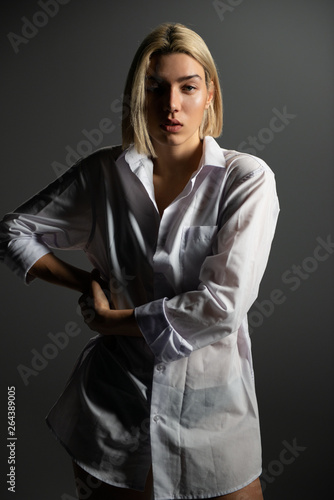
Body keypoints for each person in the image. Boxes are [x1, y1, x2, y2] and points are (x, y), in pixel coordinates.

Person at [0, 22, 279, 500]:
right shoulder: (103, 174)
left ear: (209, 93)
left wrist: (115, 321)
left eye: (188, 87)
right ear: (137, 95)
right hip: (113, 411)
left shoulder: (245, 180)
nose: (171, 104)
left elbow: (222, 306)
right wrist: (86, 281)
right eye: (155, 88)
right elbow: (13, 230)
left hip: (212, 412)